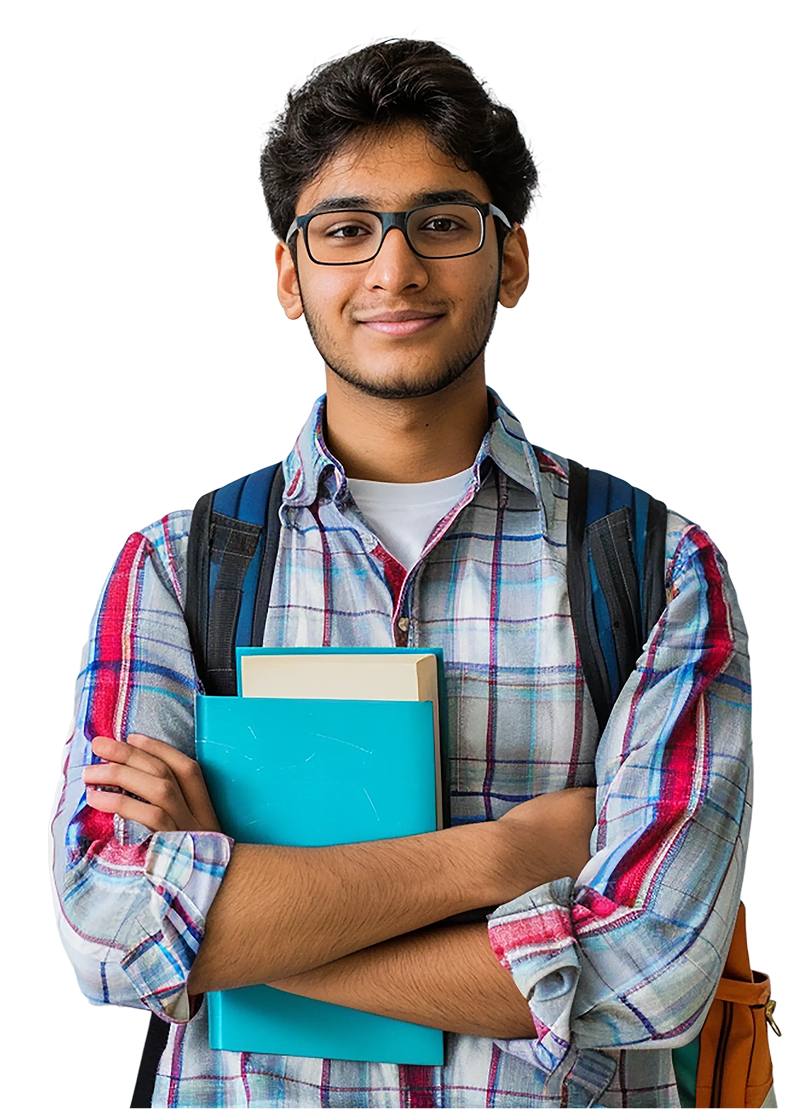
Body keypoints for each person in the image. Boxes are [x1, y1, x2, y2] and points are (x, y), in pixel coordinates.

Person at [48, 35, 770, 1109]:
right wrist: (502, 854)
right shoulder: (173, 564)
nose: (395, 269)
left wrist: (225, 929)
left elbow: (654, 970)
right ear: (290, 275)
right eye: (346, 231)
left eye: (441, 223)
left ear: (511, 259)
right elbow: (104, 928)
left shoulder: (656, 564)